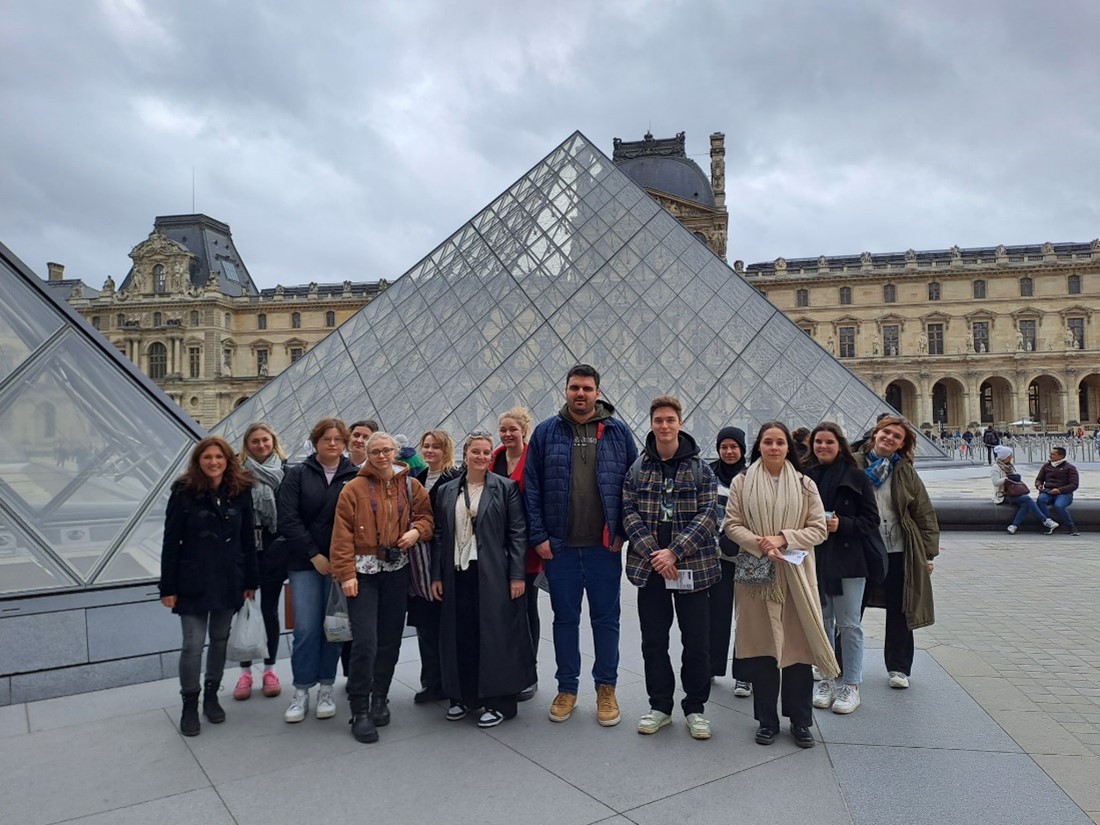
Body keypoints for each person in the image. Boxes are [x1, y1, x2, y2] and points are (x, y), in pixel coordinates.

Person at [524, 364, 638, 726]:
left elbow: (632, 485)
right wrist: (539, 537)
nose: (581, 394)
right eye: (575, 387)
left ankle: (606, 688)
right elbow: (532, 487)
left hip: (604, 547)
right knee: (565, 620)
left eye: (587, 388)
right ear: (566, 390)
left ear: (597, 392)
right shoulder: (545, 432)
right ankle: (567, 688)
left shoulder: (618, 432)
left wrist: (622, 532)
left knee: (606, 620)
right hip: (560, 548)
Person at [723, 422, 835, 748]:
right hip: (756, 571)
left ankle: (801, 721)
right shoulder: (742, 482)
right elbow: (732, 525)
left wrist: (783, 538)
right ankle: (766, 721)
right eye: (768, 442)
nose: (774, 447)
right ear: (759, 446)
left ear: (789, 447)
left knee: (798, 651)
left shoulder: (805, 484)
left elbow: (819, 529)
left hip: (795, 573)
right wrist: (762, 544)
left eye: (780, 442)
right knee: (763, 649)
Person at [622, 397, 719, 740]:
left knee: (697, 641)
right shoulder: (637, 468)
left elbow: (709, 515)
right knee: (653, 641)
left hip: (691, 567)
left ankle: (695, 708)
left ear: (680, 423)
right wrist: (656, 554)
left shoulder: (702, 469)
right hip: (651, 568)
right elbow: (627, 512)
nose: (664, 426)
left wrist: (674, 552)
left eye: (670, 420)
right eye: (658, 420)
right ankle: (660, 705)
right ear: (651, 423)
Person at [331, 432, 434, 743]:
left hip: (396, 572)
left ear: (395, 451)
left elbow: (427, 519)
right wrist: (346, 574)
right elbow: (341, 535)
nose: (381, 456)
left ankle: (380, 697)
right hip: (362, 575)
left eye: (386, 450)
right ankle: (359, 709)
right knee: (365, 642)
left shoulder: (411, 486)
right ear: (367, 453)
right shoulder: (353, 489)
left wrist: (416, 532)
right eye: (375, 451)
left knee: (389, 640)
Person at [430, 433, 534, 727]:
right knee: (461, 635)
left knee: (495, 638)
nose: (481, 456)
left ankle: (497, 702)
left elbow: (517, 533)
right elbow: (439, 535)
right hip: (457, 574)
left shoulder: (506, 488)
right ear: (465, 454)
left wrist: (517, 575)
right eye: (476, 451)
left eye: (486, 452)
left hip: (493, 574)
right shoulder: (447, 490)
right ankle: (463, 697)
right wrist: (437, 575)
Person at [160, 436, 258, 736]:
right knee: (192, 644)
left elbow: (247, 539)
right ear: (198, 461)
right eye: (207, 457)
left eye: (219, 457)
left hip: (229, 579)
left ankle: (212, 696)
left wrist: (250, 581)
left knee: (219, 639)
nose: (213, 462)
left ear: (227, 460)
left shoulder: (241, 490)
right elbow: (170, 541)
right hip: (192, 579)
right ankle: (190, 704)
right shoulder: (183, 491)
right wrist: (167, 587)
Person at [278, 418, 359, 724]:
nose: (332, 444)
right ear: (316, 442)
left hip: (340, 563)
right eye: (326, 439)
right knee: (306, 629)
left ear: (345, 443)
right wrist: (314, 555)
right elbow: (288, 518)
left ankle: (326, 686)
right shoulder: (297, 474)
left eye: (338, 439)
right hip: (305, 563)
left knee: (334, 628)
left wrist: (339, 559)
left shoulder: (355, 475)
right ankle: (301, 690)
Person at [855, 416, 940, 689]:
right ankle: (837, 662)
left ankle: (898, 667)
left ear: (902, 444)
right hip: (861, 548)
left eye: (897, 436)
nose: (889, 438)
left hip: (898, 549)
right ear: (875, 433)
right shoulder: (853, 464)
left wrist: (928, 555)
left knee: (901, 609)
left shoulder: (905, 471)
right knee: (849, 610)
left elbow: (924, 513)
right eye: (886, 432)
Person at [803, 422, 880, 715]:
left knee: (849, 625)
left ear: (840, 446)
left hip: (849, 561)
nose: (822, 447)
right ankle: (825, 679)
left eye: (829, 442)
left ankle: (851, 685)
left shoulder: (857, 476)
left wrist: (842, 524)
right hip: (816, 558)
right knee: (822, 624)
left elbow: (871, 519)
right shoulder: (805, 477)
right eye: (818, 442)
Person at [233, 423, 288, 701]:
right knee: (244, 610)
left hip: (274, 550)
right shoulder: (237, 474)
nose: (261, 445)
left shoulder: (286, 471)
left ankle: (269, 670)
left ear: (273, 441)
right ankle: (245, 672)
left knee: (269, 612)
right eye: (255, 441)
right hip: (246, 551)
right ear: (247, 445)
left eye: (265, 440)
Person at [491, 406, 540, 701]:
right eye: (503, 430)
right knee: (503, 609)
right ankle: (507, 668)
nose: (508, 434)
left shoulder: (535, 457)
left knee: (526, 608)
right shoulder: (494, 458)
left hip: (527, 545)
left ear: (524, 430)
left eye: (513, 429)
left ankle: (528, 671)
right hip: (497, 546)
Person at [409, 430, 461, 703]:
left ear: (446, 451)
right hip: (418, 563)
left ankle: (448, 681)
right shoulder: (416, 478)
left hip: (443, 561)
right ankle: (431, 681)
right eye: (426, 446)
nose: (430, 451)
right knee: (425, 626)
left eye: (436, 447)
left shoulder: (455, 479)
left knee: (444, 626)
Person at [708, 426, 752, 698]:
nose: (729, 451)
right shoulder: (707, 474)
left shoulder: (752, 476)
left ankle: (744, 675)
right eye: (724, 447)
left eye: (734, 446)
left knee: (747, 618)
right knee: (717, 613)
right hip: (716, 554)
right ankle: (711, 666)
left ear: (742, 449)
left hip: (747, 555)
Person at [992, 445, 1058, 534]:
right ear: (1005, 457)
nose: (1012, 457)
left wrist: (1016, 478)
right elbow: (995, 482)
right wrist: (1007, 479)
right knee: (1027, 499)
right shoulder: (996, 467)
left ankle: (1014, 526)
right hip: (1003, 495)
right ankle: (1045, 520)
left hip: (1014, 493)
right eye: (1010, 455)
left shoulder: (1010, 466)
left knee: (1025, 504)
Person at [1035, 447, 1080, 536]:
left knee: (1059, 506)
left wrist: (1059, 490)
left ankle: (1071, 527)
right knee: (1040, 500)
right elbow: (1039, 479)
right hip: (1048, 491)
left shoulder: (1070, 468)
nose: (1050, 456)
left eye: (1053, 454)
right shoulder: (1046, 466)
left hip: (1064, 493)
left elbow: (1074, 484)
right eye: (1051, 454)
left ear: (1061, 456)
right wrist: (1039, 485)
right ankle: (1048, 523)